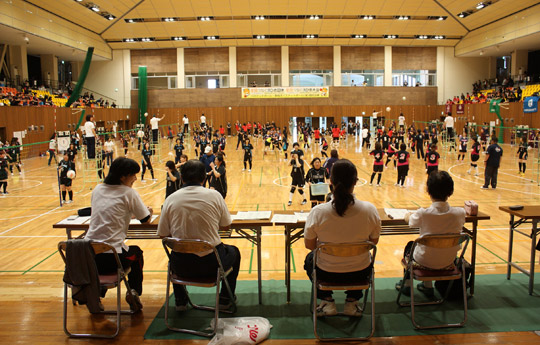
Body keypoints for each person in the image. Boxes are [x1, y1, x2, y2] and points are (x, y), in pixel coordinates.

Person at [157, 159, 239, 311]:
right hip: (211, 265)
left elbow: (163, 235)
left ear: (181, 178)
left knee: (172, 259)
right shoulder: (214, 196)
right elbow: (226, 225)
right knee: (234, 252)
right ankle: (225, 299)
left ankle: (180, 301)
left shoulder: (170, 199)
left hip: (181, 266)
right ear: (204, 178)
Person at [304, 159, 381, 316]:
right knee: (366, 259)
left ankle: (326, 300)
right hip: (360, 272)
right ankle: (352, 302)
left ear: (330, 181)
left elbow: (310, 245)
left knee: (309, 260)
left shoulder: (318, 212)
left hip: (326, 272)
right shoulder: (370, 210)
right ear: (355, 182)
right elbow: (373, 242)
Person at [86, 157, 153, 311]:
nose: (135, 178)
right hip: (112, 258)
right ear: (123, 176)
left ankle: (97, 295)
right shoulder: (129, 193)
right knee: (137, 253)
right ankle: (134, 292)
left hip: (89, 255)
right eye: (133, 175)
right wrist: (148, 212)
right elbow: (145, 220)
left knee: (115, 253)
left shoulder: (97, 189)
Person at [396, 171, 465, 296]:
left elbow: (411, 222)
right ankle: (427, 286)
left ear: (428, 190)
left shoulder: (424, 213)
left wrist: (408, 215)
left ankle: (407, 285)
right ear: (451, 191)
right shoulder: (460, 213)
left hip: (423, 261)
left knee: (410, 246)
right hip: (449, 261)